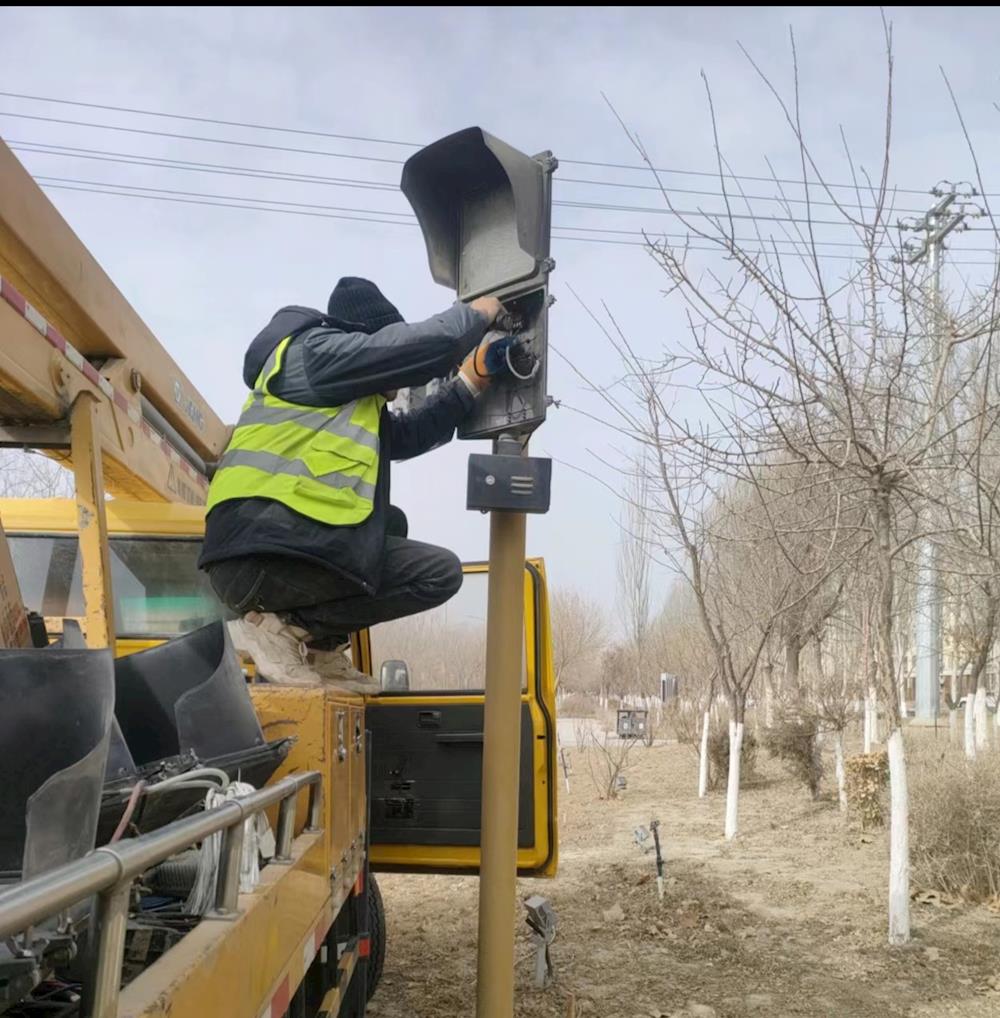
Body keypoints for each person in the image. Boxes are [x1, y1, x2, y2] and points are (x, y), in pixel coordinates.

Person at [199, 277, 512, 691]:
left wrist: (471, 382)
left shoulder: (354, 405)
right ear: (366, 342)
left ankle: (319, 648)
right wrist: (481, 312)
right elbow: (417, 346)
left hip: (286, 550)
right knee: (407, 553)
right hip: (260, 550)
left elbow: (412, 433)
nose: (401, 384)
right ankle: (271, 631)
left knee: (402, 539)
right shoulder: (312, 354)